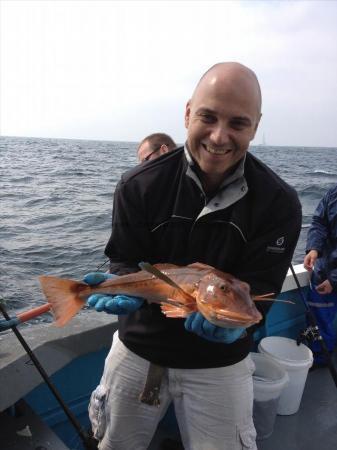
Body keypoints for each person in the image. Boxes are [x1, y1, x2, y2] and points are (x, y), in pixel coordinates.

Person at [86, 62, 302, 450]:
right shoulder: (139, 185)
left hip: (221, 361)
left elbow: (263, 289)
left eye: (238, 123)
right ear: (188, 113)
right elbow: (123, 258)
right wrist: (121, 283)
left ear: (255, 126)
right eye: (208, 116)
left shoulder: (279, 203)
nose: (220, 137)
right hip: (139, 347)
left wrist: (241, 327)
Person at [303, 185, 337, 366]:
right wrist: (313, 248)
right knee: (317, 318)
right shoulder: (333, 193)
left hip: (331, 278)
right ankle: (318, 356)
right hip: (323, 271)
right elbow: (318, 222)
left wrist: (334, 280)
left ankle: (322, 356)